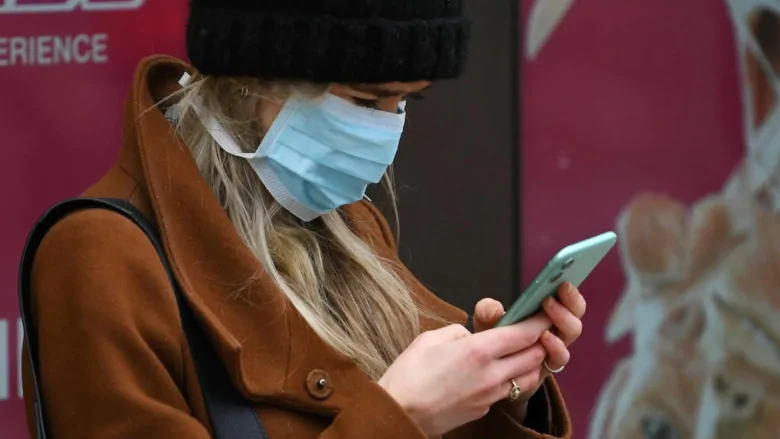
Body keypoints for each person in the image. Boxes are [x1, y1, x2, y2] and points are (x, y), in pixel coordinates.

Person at [21, 1, 586, 438]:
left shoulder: (343, 219)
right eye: (366, 102)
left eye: (406, 103)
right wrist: (401, 415)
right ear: (254, 80)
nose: (385, 134)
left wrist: (496, 391)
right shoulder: (97, 256)